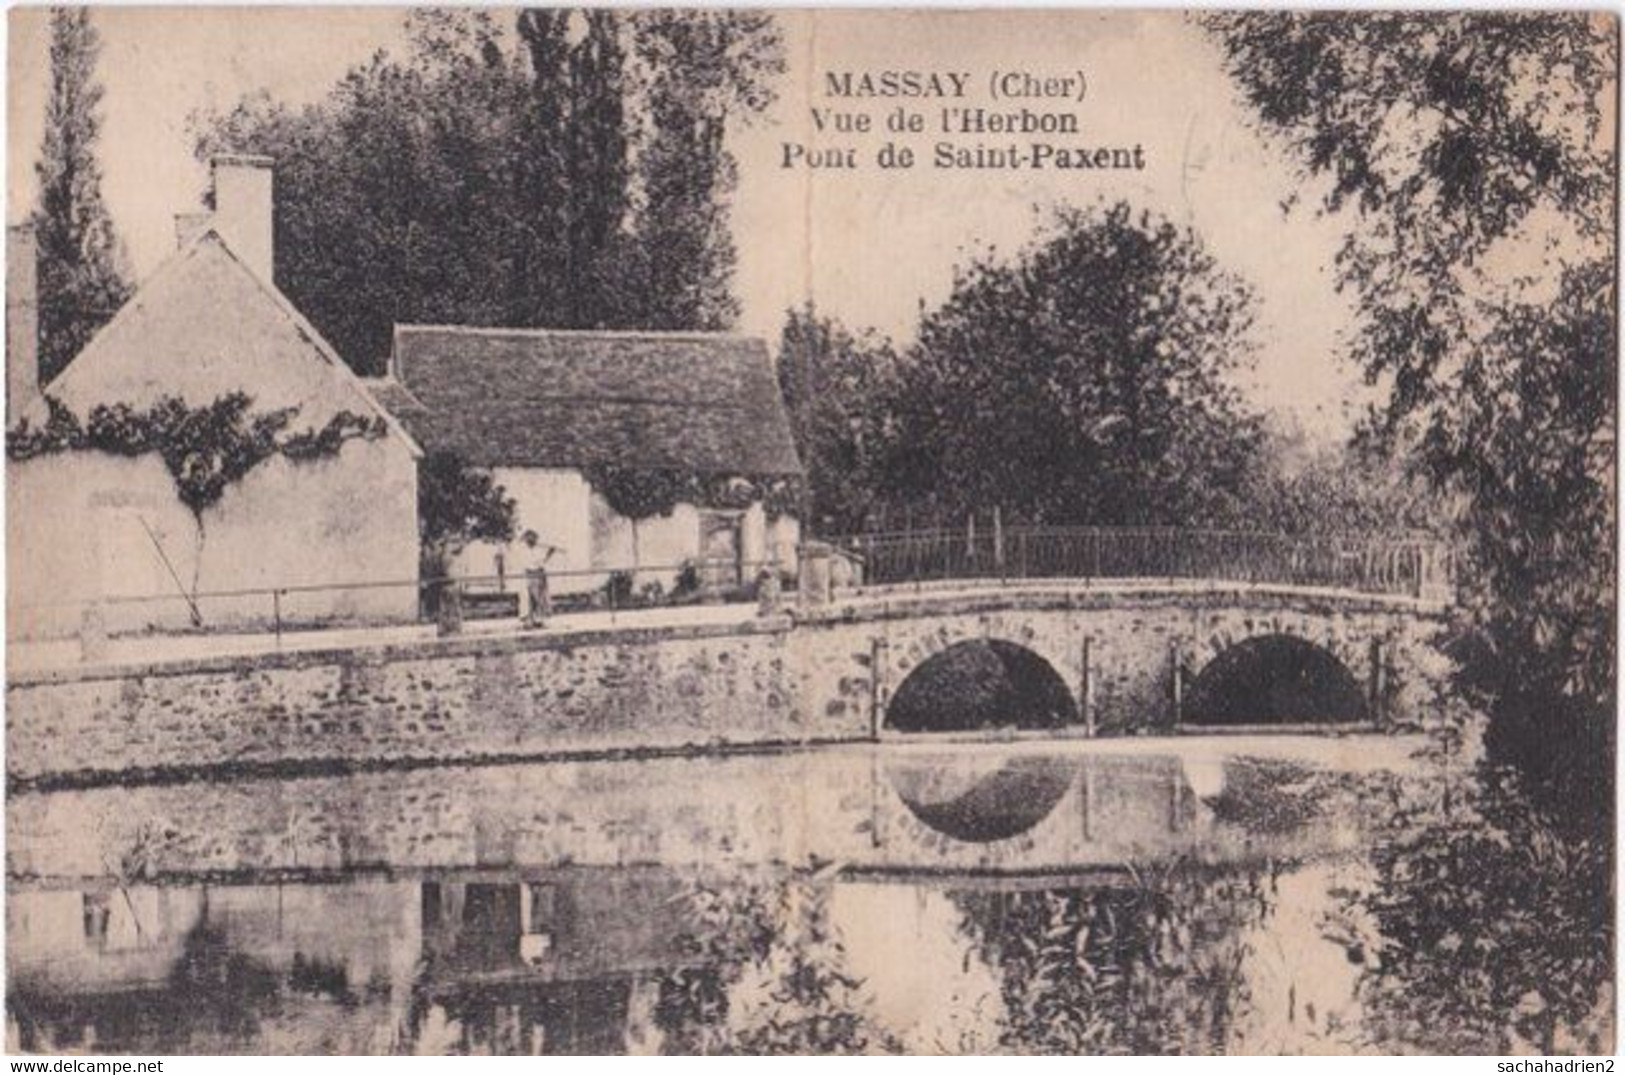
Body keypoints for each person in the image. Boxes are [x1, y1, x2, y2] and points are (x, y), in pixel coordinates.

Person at [519, 530, 561, 628]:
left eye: (532, 538)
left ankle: (538, 619)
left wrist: (550, 553)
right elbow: (527, 563)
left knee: (539, 597)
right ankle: (529, 620)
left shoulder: (538, 550)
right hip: (528, 575)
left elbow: (542, 562)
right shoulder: (524, 550)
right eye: (528, 538)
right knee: (528, 598)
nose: (530, 540)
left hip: (538, 574)